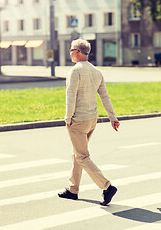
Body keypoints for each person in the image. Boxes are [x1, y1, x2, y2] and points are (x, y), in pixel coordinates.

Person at [58, 38, 120, 206]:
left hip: (77, 120)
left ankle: (106, 186)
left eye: (71, 50)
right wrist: (112, 118)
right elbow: (104, 96)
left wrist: (68, 117)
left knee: (82, 156)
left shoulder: (75, 71)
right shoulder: (96, 72)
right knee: (77, 154)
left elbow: (70, 97)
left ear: (78, 51)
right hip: (92, 120)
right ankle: (73, 190)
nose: (70, 52)